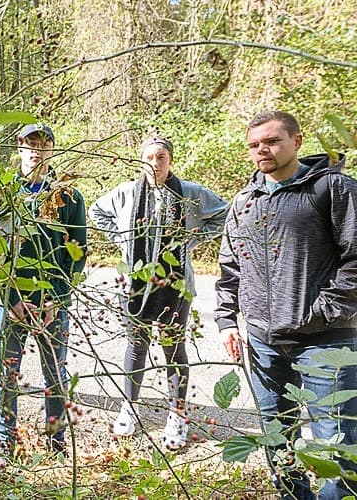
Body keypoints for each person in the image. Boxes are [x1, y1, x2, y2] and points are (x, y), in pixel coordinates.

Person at [215, 110, 357, 499]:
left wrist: (325, 310)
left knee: (338, 448)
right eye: (255, 145)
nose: (263, 149)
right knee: (279, 442)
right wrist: (227, 320)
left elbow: (355, 257)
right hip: (263, 343)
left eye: (272, 141)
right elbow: (230, 265)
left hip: (327, 342)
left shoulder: (333, 188)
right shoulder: (244, 201)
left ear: (296, 141)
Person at [89, 136, 228, 450]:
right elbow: (97, 213)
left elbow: (223, 213)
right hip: (135, 286)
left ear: (170, 159)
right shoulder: (126, 193)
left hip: (175, 286)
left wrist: (191, 241)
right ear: (141, 160)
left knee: (173, 349)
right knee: (136, 346)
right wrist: (123, 241)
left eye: (161, 156)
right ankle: (130, 406)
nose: (155, 163)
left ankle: (177, 414)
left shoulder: (190, 193)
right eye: (149, 157)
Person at [0, 123, 87, 455]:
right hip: (12, 302)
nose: (36, 149)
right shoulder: (2, 192)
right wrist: (12, 298)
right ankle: (4, 438)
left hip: (52, 304)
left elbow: (76, 252)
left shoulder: (67, 194)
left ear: (51, 149)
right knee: (7, 372)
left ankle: (55, 437)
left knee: (54, 372)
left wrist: (56, 300)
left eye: (43, 144)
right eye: (30, 143)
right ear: (19, 147)